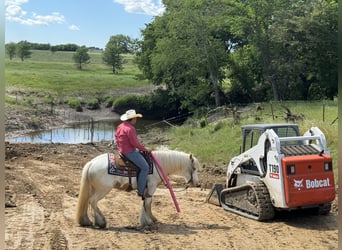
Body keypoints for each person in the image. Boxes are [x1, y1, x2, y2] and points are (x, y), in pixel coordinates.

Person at [115, 109, 151, 199]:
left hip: (122, 151)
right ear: (133, 119)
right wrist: (145, 149)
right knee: (145, 167)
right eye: (135, 118)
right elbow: (135, 144)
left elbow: (116, 137)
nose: (136, 120)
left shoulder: (120, 126)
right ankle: (141, 191)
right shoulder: (130, 129)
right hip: (129, 152)